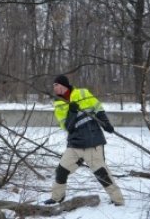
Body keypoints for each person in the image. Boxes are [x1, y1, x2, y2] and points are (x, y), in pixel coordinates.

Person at [44, 75, 124, 206]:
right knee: (61, 171)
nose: (54, 88)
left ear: (63, 85)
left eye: (56, 85)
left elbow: (98, 108)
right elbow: (68, 127)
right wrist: (72, 112)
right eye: (53, 86)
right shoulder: (58, 105)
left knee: (101, 174)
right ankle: (57, 197)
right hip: (75, 145)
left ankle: (118, 200)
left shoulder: (83, 93)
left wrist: (106, 123)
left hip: (92, 142)